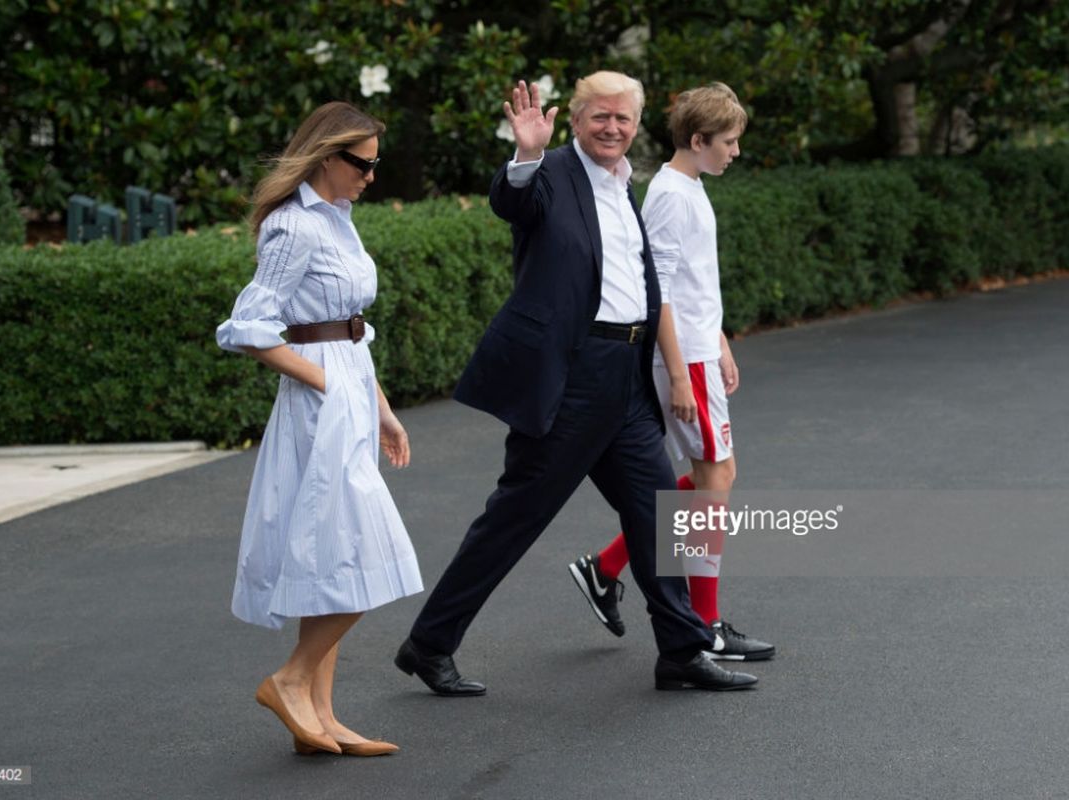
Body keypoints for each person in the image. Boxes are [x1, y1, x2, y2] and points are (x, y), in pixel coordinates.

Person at [394, 72, 757, 695]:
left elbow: (646, 281)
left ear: (636, 125)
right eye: (599, 117)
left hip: (627, 378)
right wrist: (528, 152)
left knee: (657, 515)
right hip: (572, 379)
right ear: (577, 120)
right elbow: (513, 203)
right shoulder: (552, 174)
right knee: (516, 517)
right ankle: (429, 644)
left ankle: (681, 650)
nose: (611, 128)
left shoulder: (625, 186)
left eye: (622, 118)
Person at [216, 101, 422, 756]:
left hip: (350, 389)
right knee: (366, 552)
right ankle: (291, 679)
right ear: (328, 157)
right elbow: (247, 330)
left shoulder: (340, 220)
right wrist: (331, 386)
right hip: (320, 402)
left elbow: (351, 327)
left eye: (375, 164)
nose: (370, 177)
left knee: (333, 556)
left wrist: (380, 406)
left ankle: (321, 718)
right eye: (362, 164)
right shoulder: (292, 227)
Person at [568, 83, 775, 663]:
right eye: (729, 142)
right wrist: (682, 374)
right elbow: (655, 291)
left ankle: (606, 568)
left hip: (699, 352)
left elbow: (692, 286)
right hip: (682, 360)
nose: (735, 151)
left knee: (712, 478)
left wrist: (722, 341)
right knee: (716, 480)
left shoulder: (688, 186)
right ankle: (704, 623)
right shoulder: (670, 195)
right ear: (698, 139)